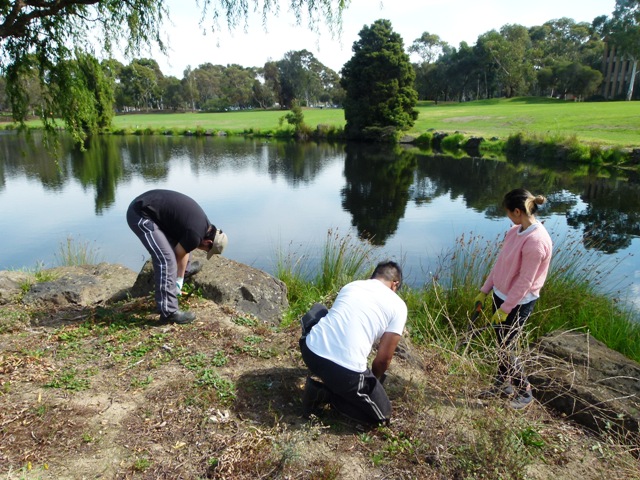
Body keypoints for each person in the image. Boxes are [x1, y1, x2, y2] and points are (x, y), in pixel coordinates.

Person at [299, 260, 407, 426]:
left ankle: (323, 384)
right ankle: (326, 396)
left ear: (374, 277)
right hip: (347, 373)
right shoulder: (398, 306)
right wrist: (374, 379)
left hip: (310, 351)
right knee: (381, 415)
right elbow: (384, 359)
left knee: (320, 310)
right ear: (395, 284)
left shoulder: (352, 285)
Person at [474, 188, 553, 410]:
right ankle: (502, 385)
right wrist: (485, 289)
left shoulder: (537, 242)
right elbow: (501, 264)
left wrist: (507, 308)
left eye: (508, 212)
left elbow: (525, 282)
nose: (507, 216)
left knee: (507, 348)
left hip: (519, 302)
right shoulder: (514, 231)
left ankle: (525, 392)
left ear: (517, 211)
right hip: (501, 296)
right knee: (501, 344)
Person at [127, 189, 228, 324]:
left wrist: (179, 277)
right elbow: (179, 254)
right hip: (140, 213)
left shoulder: (203, 226)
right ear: (208, 242)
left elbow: (185, 249)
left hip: (150, 208)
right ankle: (168, 312)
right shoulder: (195, 234)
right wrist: (178, 282)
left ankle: (183, 272)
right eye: (205, 250)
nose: (203, 250)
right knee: (166, 259)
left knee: (183, 246)